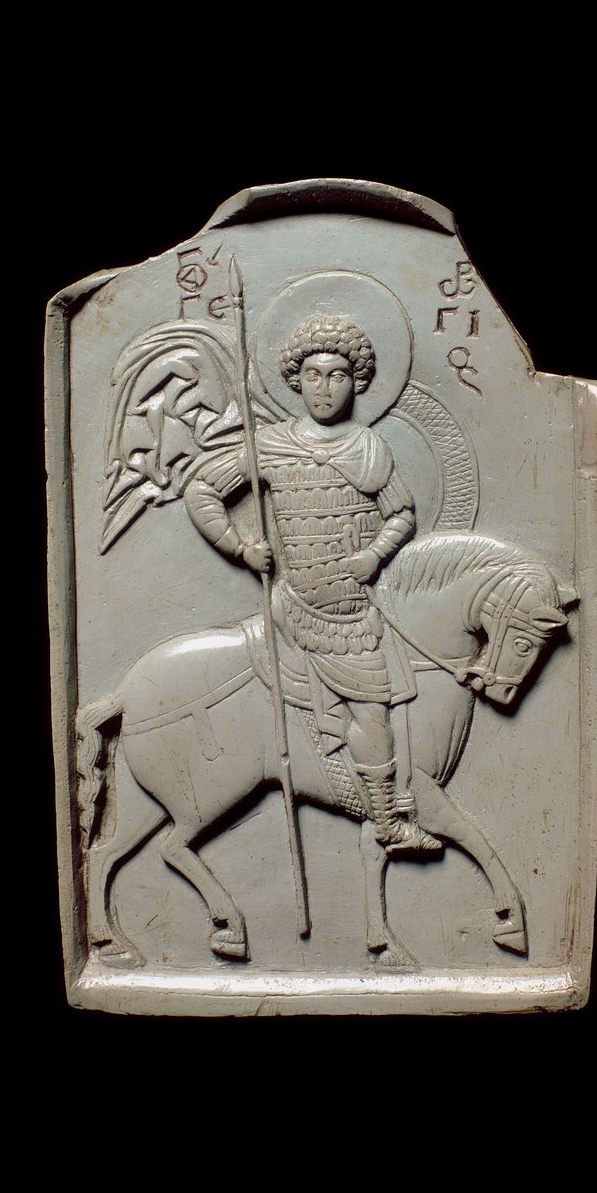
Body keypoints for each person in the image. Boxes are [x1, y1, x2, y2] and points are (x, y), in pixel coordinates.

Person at [183, 315, 441, 853]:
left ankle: (383, 818)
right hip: (296, 606)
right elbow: (202, 489)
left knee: (380, 707)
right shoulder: (272, 446)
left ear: (357, 383)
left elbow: (401, 514)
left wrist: (374, 554)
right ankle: (388, 823)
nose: (325, 388)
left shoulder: (369, 448)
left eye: (338, 376)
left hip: (353, 613)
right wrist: (240, 547)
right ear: (297, 382)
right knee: (371, 710)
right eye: (314, 376)